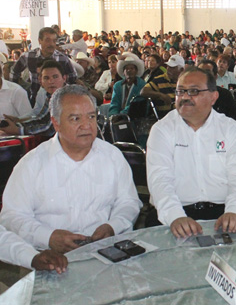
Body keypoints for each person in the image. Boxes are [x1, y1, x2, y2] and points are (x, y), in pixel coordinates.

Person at [0, 85, 141, 254]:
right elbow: (12, 216)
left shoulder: (112, 156)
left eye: (91, 117)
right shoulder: (32, 164)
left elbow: (129, 202)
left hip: (104, 252)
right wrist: (48, 237)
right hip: (48, 257)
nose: (86, 125)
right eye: (75, 119)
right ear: (56, 123)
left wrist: (113, 226)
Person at [146, 68, 236, 237]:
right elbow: (159, 179)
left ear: (213, 97)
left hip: (223, 213)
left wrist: (235, 211)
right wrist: (175, 216)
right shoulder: (162, 130)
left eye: (194, 91)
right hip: (174, 214)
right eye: (180, 91)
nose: (185, 97)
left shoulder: (230, 128)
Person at [12, 27, 77, 106]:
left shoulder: (63, 59)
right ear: (40, 40)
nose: (51, 44)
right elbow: (14, 72)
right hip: (34, 100)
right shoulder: (29, 56)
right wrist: (21, 89)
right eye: (48, 40)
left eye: (54, 41)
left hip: (58, 102)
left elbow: (73, 78)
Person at [0, 61, 67, 137]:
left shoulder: (68, 97)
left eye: (55, 77)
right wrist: (17, 123)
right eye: (46, 78)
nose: (51, 81)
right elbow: (41, 119)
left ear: (64, 78)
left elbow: (50, 129)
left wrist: (18, 130)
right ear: (41, 81)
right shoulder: (50, 95)